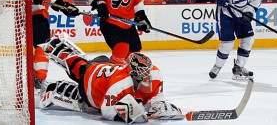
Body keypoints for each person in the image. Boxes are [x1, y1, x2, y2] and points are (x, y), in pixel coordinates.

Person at [37, 33, 183, 123]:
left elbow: (156, 94)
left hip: (104, 65)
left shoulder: (155, 74)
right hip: (91, 83)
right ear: (133, 73)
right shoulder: (120, 84)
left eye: (148, 72)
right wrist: (125, 114)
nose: (147, 77)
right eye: (142, 74)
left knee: (79, 64)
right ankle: (52, 48)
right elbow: (106, 110)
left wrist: (158, 104)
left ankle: (56, 52)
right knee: (77, 65)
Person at [10, 0, 80, 88]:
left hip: (42, 14)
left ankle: (37, 78)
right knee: (43, 45)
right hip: (28, 13)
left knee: (42, 46)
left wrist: (64, 6)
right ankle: (38, 78)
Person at [209, 0, 264, 80]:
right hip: (225, 13)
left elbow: (254, 4)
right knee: (228, 43)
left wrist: (248, 13)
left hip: (240, 15)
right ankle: (217, 66)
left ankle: (238, 67)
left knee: (248, 39)